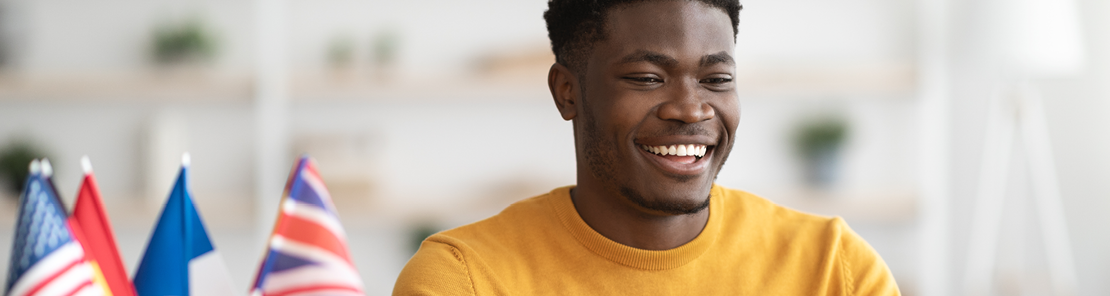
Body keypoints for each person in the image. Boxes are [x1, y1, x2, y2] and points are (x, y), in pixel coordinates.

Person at [393, 0, 901, 294]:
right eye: (646, 77)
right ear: (567, 91)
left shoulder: (833, 269)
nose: (691, 108)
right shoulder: (466, 279)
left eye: (716, 78)